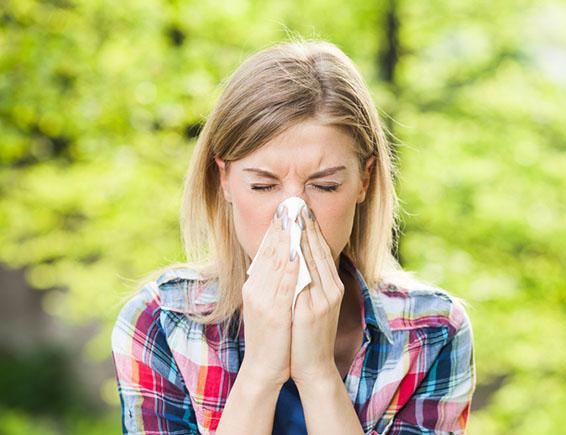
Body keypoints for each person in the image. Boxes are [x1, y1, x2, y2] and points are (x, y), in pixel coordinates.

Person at [111, 38, 477, 435]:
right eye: (264, 186)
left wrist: (317, 373)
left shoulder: (433, 330)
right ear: (225, 181)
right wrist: (260, 373)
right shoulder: (162, 322)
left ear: (364, 181)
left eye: (324, 186)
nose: (294, 215)